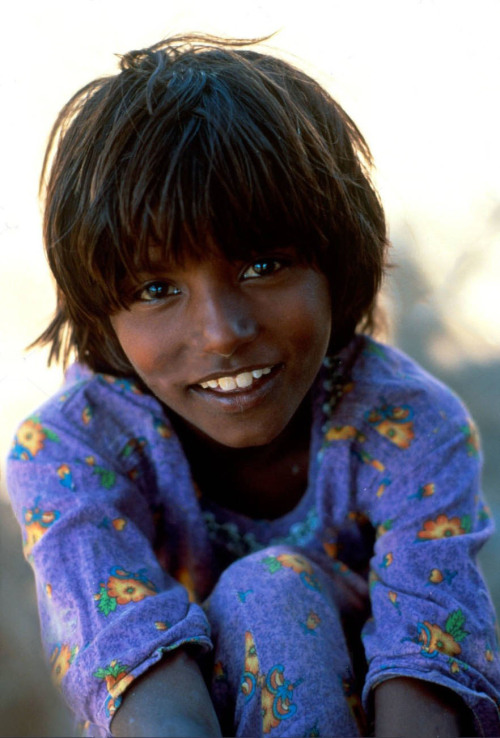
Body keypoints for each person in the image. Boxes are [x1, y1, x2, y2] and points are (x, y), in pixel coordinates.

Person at [6, 33, 500, 738]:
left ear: (337, 263)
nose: (220, 331)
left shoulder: (409, 424)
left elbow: (432, 679)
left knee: (272, 589)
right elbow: (135, 681)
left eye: (263, 266)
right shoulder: (69, 449)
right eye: (154, 287)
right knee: (266, 591)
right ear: (102, 314)